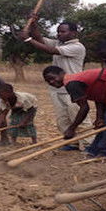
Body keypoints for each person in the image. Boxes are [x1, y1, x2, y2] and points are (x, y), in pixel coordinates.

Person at [23, 20, 92, 150]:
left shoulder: (77, 47)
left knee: (78, 117)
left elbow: (50, 50)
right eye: (58, 31)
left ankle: (88, 143)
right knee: (62, 119)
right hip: (57, 88)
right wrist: (33, 23)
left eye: (63, 31)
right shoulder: (59, 43)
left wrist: (28, 39)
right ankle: (72, 143)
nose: (59, 34)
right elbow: (40, 39)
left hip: (72, 88)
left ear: (73, 33)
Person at [42, 65, 106, 159]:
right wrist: (99, 117)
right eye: (48, 81)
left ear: (62, 73)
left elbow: (84, 108)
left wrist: (72, 128)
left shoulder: (72, 84)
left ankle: (102, 152)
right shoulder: (73, 81)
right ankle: (94, 150)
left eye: (52, 78)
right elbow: (98, 96)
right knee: (104, 121)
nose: (51, 82)